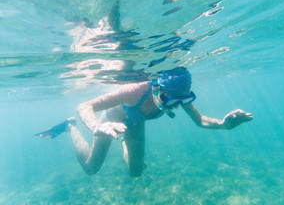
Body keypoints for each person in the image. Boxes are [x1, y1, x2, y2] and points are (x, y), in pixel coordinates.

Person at [36, 67, 253, 177]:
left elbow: (200, 121)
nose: (176, 105)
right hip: (110, 121)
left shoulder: (178, 93)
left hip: (135, 124)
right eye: (169, 99)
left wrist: (224, 124)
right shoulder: (136, 91)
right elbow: (85, 106)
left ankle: (125, 141)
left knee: (136, 173)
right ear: (158, 88)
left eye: (183, 99)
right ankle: (69, 126)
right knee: (92, 168)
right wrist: (96, 127)